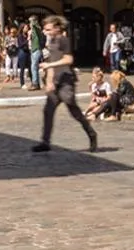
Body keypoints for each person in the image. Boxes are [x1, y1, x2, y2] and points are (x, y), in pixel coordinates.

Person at [32, 15, 97, 153]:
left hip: (67, 81)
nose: (46, 31)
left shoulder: (64, 40)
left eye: (48, 29)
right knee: (48, 111)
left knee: (74, 111)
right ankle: (45, 142)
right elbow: (49, 65)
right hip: (55, 82)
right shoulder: (51, 42)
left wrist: (50, 64)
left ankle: (91, 134)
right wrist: (49, 82)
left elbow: (68, 59)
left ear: (57, 28)